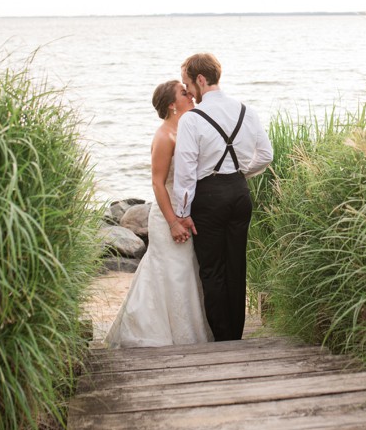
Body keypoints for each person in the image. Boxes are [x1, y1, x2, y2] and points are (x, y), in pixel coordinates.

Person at [172, 53, 274, 341]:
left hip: (209, 197)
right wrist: (241, 173)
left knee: (212, 269)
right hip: (240, 194)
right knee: (236, 264)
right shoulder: (246, 111)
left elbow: (186, 172)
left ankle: (223, 337)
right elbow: (267, 155)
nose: (188, 91)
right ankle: (236, 335)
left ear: (201, 80)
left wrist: (182, 213)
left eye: (187, 83)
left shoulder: (192, 119)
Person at [104, 80, 213, 348]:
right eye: (184, 93)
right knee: (172, 272)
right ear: (172, 105)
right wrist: (174, 222)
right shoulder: (165, 136)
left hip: (186, 213)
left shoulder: (186, 130)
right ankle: (161, 335)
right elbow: (157, 183)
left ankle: (191, 334)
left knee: (188, 271)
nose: (191, 96)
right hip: (168, 217)